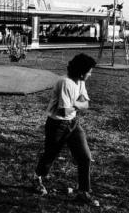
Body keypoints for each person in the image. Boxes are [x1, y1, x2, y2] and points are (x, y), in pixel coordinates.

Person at [34, 53, 100, 206]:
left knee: (85, 157)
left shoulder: (80, 81)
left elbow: (86, 105)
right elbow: (65, 110)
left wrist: (75, 104)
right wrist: (78, 104)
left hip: (73, 123)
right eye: (89, 71)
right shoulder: (65, 82)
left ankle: (83, 192)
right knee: (50, 155)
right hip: (57, 125)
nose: (91, 74)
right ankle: (36, 177)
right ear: (82, 71)